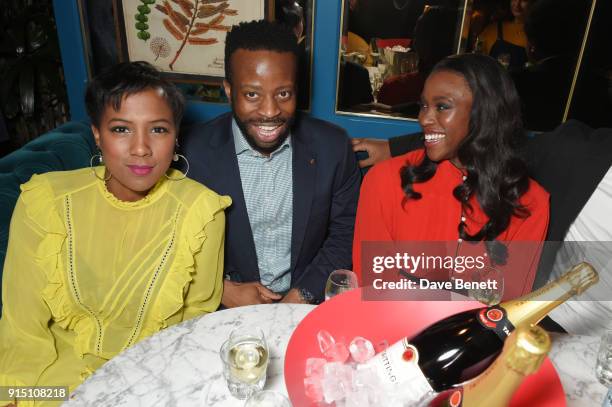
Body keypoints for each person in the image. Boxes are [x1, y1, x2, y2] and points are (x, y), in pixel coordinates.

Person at [0, 61, 230, 404]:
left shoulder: (202, 212)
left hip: (149, 384)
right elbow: (22, 331)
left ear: (175, 134)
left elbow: (192, 326)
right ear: (97, 133)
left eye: (158, 129)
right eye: (121, 129)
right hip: (54, 384)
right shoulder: (43, 203)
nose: (141, 148)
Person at [181, 20, 360, 307]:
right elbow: (170, 242)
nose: (269, 111)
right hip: (221, 308)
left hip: (303, 302)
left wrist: (302, 295)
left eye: (283, 94)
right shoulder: (192, 152)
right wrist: (221, 289)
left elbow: (345, 232)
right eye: (252, 94)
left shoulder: (332, 147)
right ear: (228, 90)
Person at [353, 54, 549, 300]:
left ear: (484, 113)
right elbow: (374, 292)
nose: (424, 118)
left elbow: (506, 307)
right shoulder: (383, 181)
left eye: (442, 106)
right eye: (423, 105)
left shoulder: (530, 203)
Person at [477, 0, 532, 71]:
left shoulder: (537, 32)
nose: (517, 4)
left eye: (524, 0)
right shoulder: (492, 29)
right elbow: (478, 62)